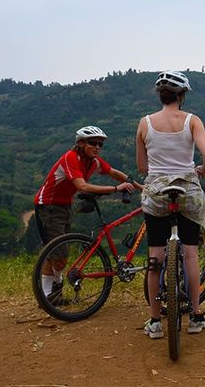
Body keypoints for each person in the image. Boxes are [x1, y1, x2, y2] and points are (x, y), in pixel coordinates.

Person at [136, 70, 205, 339]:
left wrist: (157, 170)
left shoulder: (144, 123)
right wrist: (201, 170)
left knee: (155, 258)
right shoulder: (192, 121)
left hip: (157, 193)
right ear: (181, 96)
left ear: (161, 95)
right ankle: (194, 315)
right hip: (187, 191)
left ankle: (155, 321)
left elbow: (141, 166)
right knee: (190, 255)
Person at [34, 126, 136, 304]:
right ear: (80, 143)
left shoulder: (93, 161)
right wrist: (115, 189)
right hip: (49, 207)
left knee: (54, 253)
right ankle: (51, 293)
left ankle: (49, 296)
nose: (97, 147)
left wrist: (141, 187)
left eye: (100, 144)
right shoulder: (71, 158)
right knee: (59, 254)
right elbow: (82, 186)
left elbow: (113, 172)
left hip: (65, 206)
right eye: (93, 143)